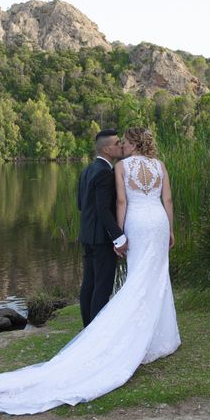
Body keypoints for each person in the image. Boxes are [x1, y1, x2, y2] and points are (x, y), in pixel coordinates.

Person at [0, 127, 180, 419]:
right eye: (119, 143)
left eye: (126, 142)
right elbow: (167, 200)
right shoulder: (159, 166)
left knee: (121, 282)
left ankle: (97, 330)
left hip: (128, 228)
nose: (122, 146)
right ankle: (139, 333)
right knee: (151, 280)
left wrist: (122, 232)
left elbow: (115, 203)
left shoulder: (110, 168)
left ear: (134, 144)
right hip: (157, 223)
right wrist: (165, 229)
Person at [77, 128, 129, 327]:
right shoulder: (106, 173)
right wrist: (119, 237)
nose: (120, 146)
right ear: (107, 149)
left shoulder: (87, 170)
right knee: (103, 286)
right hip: (101, 239)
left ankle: (87, 329)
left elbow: (81, 205)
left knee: (88, 284)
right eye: (117, 143)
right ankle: (96, 333)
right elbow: (103, 209)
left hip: (87, 236)